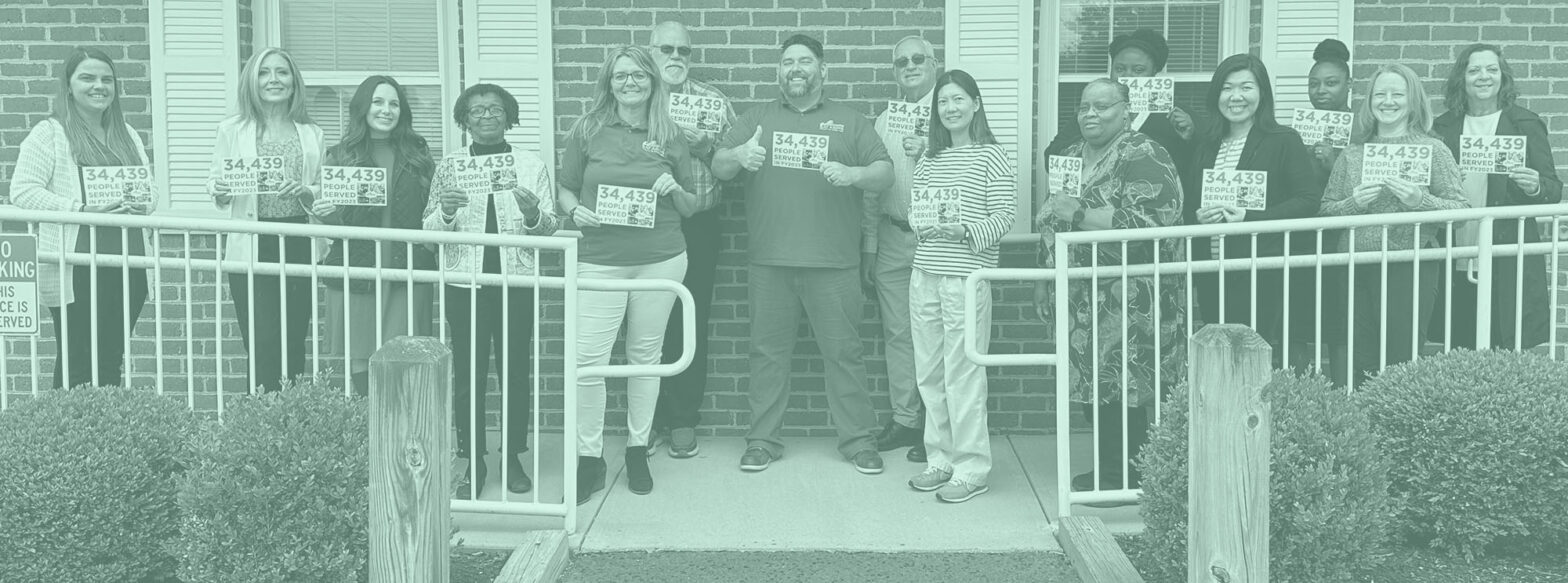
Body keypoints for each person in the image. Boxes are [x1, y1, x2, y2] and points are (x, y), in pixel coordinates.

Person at [712, 34, 894, 475]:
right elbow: (718, 166)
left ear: (823, 71)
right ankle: (762, 440)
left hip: (834, 264)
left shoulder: (850, 122)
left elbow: (885, 172)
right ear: (778, 72)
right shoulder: (757, 119)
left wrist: (853, 173)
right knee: (766, 355)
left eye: (805, 62)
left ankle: (857, 441)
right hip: (769, 263)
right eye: (788, 62)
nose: (796, 68)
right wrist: (740, 154)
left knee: (845, 354)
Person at [560, 46, 707, 504]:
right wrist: (574, 210)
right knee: (589, 360)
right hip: (599, 256)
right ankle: (589, 456)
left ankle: (637, 447)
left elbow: (691, 206)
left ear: (652, 82)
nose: (630, 83)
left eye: (639, 75)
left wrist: (675, 188)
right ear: (608, 81)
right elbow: (565, 187)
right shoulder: (587, 129)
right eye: (621, 75)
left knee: (645, 356)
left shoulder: (671, 134)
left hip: (660, 257)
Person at [1034, 79, 1186, 496]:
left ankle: (1126, 476)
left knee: (1125, 387)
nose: (1090, 114)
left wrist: (1081, 212)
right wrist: (1045, 279)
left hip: (1129, 298)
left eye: (1102, 106)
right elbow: (1051, 218)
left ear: (1125, 109)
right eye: (1084, 107)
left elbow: (1155, 220)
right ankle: (1109, 468)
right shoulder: (1068, 157)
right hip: (1080, 298)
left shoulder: (1144, 153)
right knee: (1093, 387)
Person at [424, 83, 560, 498]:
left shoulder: (529, 164)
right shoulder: (450, 166)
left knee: (515, 369)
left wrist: (534, 213)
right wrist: (446, 212)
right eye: (476, 110)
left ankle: (512, 454)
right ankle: (473, 460)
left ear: (509, 116)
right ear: (464, 119)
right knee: (468, 372)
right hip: (464, 281)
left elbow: (552, 225)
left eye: (495, 109)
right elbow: (428, 231)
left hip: (515, 280)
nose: (486, 116)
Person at [11, 47, 157, 389]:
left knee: (110, 359)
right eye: (88, 78)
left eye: (107, 79)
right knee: (78, 359)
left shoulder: (128, 135)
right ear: (69, 86)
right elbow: (23, 191)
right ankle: (68, 439)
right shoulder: (50, 133)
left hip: (128, 259)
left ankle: (103, 440)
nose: (99, 86)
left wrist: (142, 203)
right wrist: (80, 210)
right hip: (75, 263)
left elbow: (150, 192)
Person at [903, 70, 1016, 503]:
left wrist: (962, 230)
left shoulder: (992, 156)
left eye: (958, 100)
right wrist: (926, 225)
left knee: (963, 374)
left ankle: (972, 467)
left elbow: (1004, 217)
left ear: (975, 104)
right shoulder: (929, 159)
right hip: (925, 273)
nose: (950, 108)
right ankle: (941, 458)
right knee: (929, 372)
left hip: (966, 277)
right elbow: (919, 211)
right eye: (943, 102)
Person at [1320, 64, 1468, 387]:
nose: (1388, 101)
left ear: (1413, 101)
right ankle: (1360, 433)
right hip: (1355, 266)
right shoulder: (1352, 155)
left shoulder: (1433, 150)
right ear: (1370, 101)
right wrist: (1353, 204)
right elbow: (1326, 213)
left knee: (1400, 359)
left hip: (1409, 265)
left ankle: (1395, 434)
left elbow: (1461, 211)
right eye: (1380, 94)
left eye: (1397, 94)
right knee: (1360, 358)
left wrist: (1420, 201)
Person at [1182, 54, 1319, 366]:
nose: (1236, 97)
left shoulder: (1283, 139)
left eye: (1246, 87)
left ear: (1262, 93)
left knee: (1256, 354)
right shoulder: (1207, 143)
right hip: (1212, 267)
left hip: (1262, 266)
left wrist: (1250, 218)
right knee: (1219, 353)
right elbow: (1191, 204)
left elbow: (1308, 200)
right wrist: (1198, 217)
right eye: (1227, 88)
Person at [206, 47, 325, 393]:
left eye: (282, 72)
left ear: (293, 82)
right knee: (262, 340)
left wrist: (306, 191)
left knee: (293, 338)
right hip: (253, 242)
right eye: (264, 72)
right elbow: (215, 180)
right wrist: (223, 189)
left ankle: (290, 422)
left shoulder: (311, 132)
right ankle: (258, 428)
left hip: (298, 238)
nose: (273, 79)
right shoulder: (232, 129)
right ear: (252, 81)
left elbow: (320, 187)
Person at [1430, 44, 1562, 351]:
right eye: (1474, 70)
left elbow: (1553, 189)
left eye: (1491, 69)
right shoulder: (1443, 126)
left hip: (1507, 254)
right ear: (1462, 78)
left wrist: (1534, 186)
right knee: (1458, 341)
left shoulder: (1525, 123)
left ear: (1503, 76)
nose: (1483, 77)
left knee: (1506, 340)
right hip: (1457, 248)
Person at [648, 21, 737, 461]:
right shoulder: (633, 98)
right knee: (643, 322)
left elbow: (737, 166)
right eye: (667, 48)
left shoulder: (714, 103)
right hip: (643, 228)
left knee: (690, 319)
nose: (676, 56)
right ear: (651, 51)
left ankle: (683, 420)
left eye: (684, 50)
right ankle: (644, 423)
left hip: (698, 225)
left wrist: (705, 147)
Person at [315, 75, 437, 397]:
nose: (387, 110)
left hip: (406, 264)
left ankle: (400, 434)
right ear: (363, 108)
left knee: (404, 356)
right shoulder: (340, 155)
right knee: (362, 352)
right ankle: (372, 427)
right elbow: (337, 226)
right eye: (378, 102)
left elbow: (431, 210)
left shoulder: (418, 153)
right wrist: (327, 213)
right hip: (358, 263)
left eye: (394, 103)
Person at [865, 35, 941, 463]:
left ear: (934, 64)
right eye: (901, 63)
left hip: (938, 238)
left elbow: (977, 163)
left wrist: (931, 150)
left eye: (918, 59)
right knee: (898, 333)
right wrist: (869, 248)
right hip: (894, 235)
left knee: (941, 332)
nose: (909, 67)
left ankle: (939, 424)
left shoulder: (953, 110)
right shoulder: (885, 121)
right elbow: (873, 193)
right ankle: (906, 418)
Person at [1044, 29, 1193, 178]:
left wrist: (1190, 139)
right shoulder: (1091, 112)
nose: (1127, 75)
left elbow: (1195, 172)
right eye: (1119, 69)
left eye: (1138, 70)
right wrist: (1092, 138)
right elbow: (1051, 159)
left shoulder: (1176, 116)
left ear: (1154, 72)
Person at [1299, 38, 1355, 380]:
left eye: (1331, 83)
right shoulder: (1296, 130)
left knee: (1340, 321)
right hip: (1305, 234)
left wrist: (1336, 162)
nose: (1321, 91)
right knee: (1300, 319)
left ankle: (1344, 396)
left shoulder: (1363, 127)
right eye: (1314, 84)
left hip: (1343, 236)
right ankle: (1303, 397)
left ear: (1349, 85)